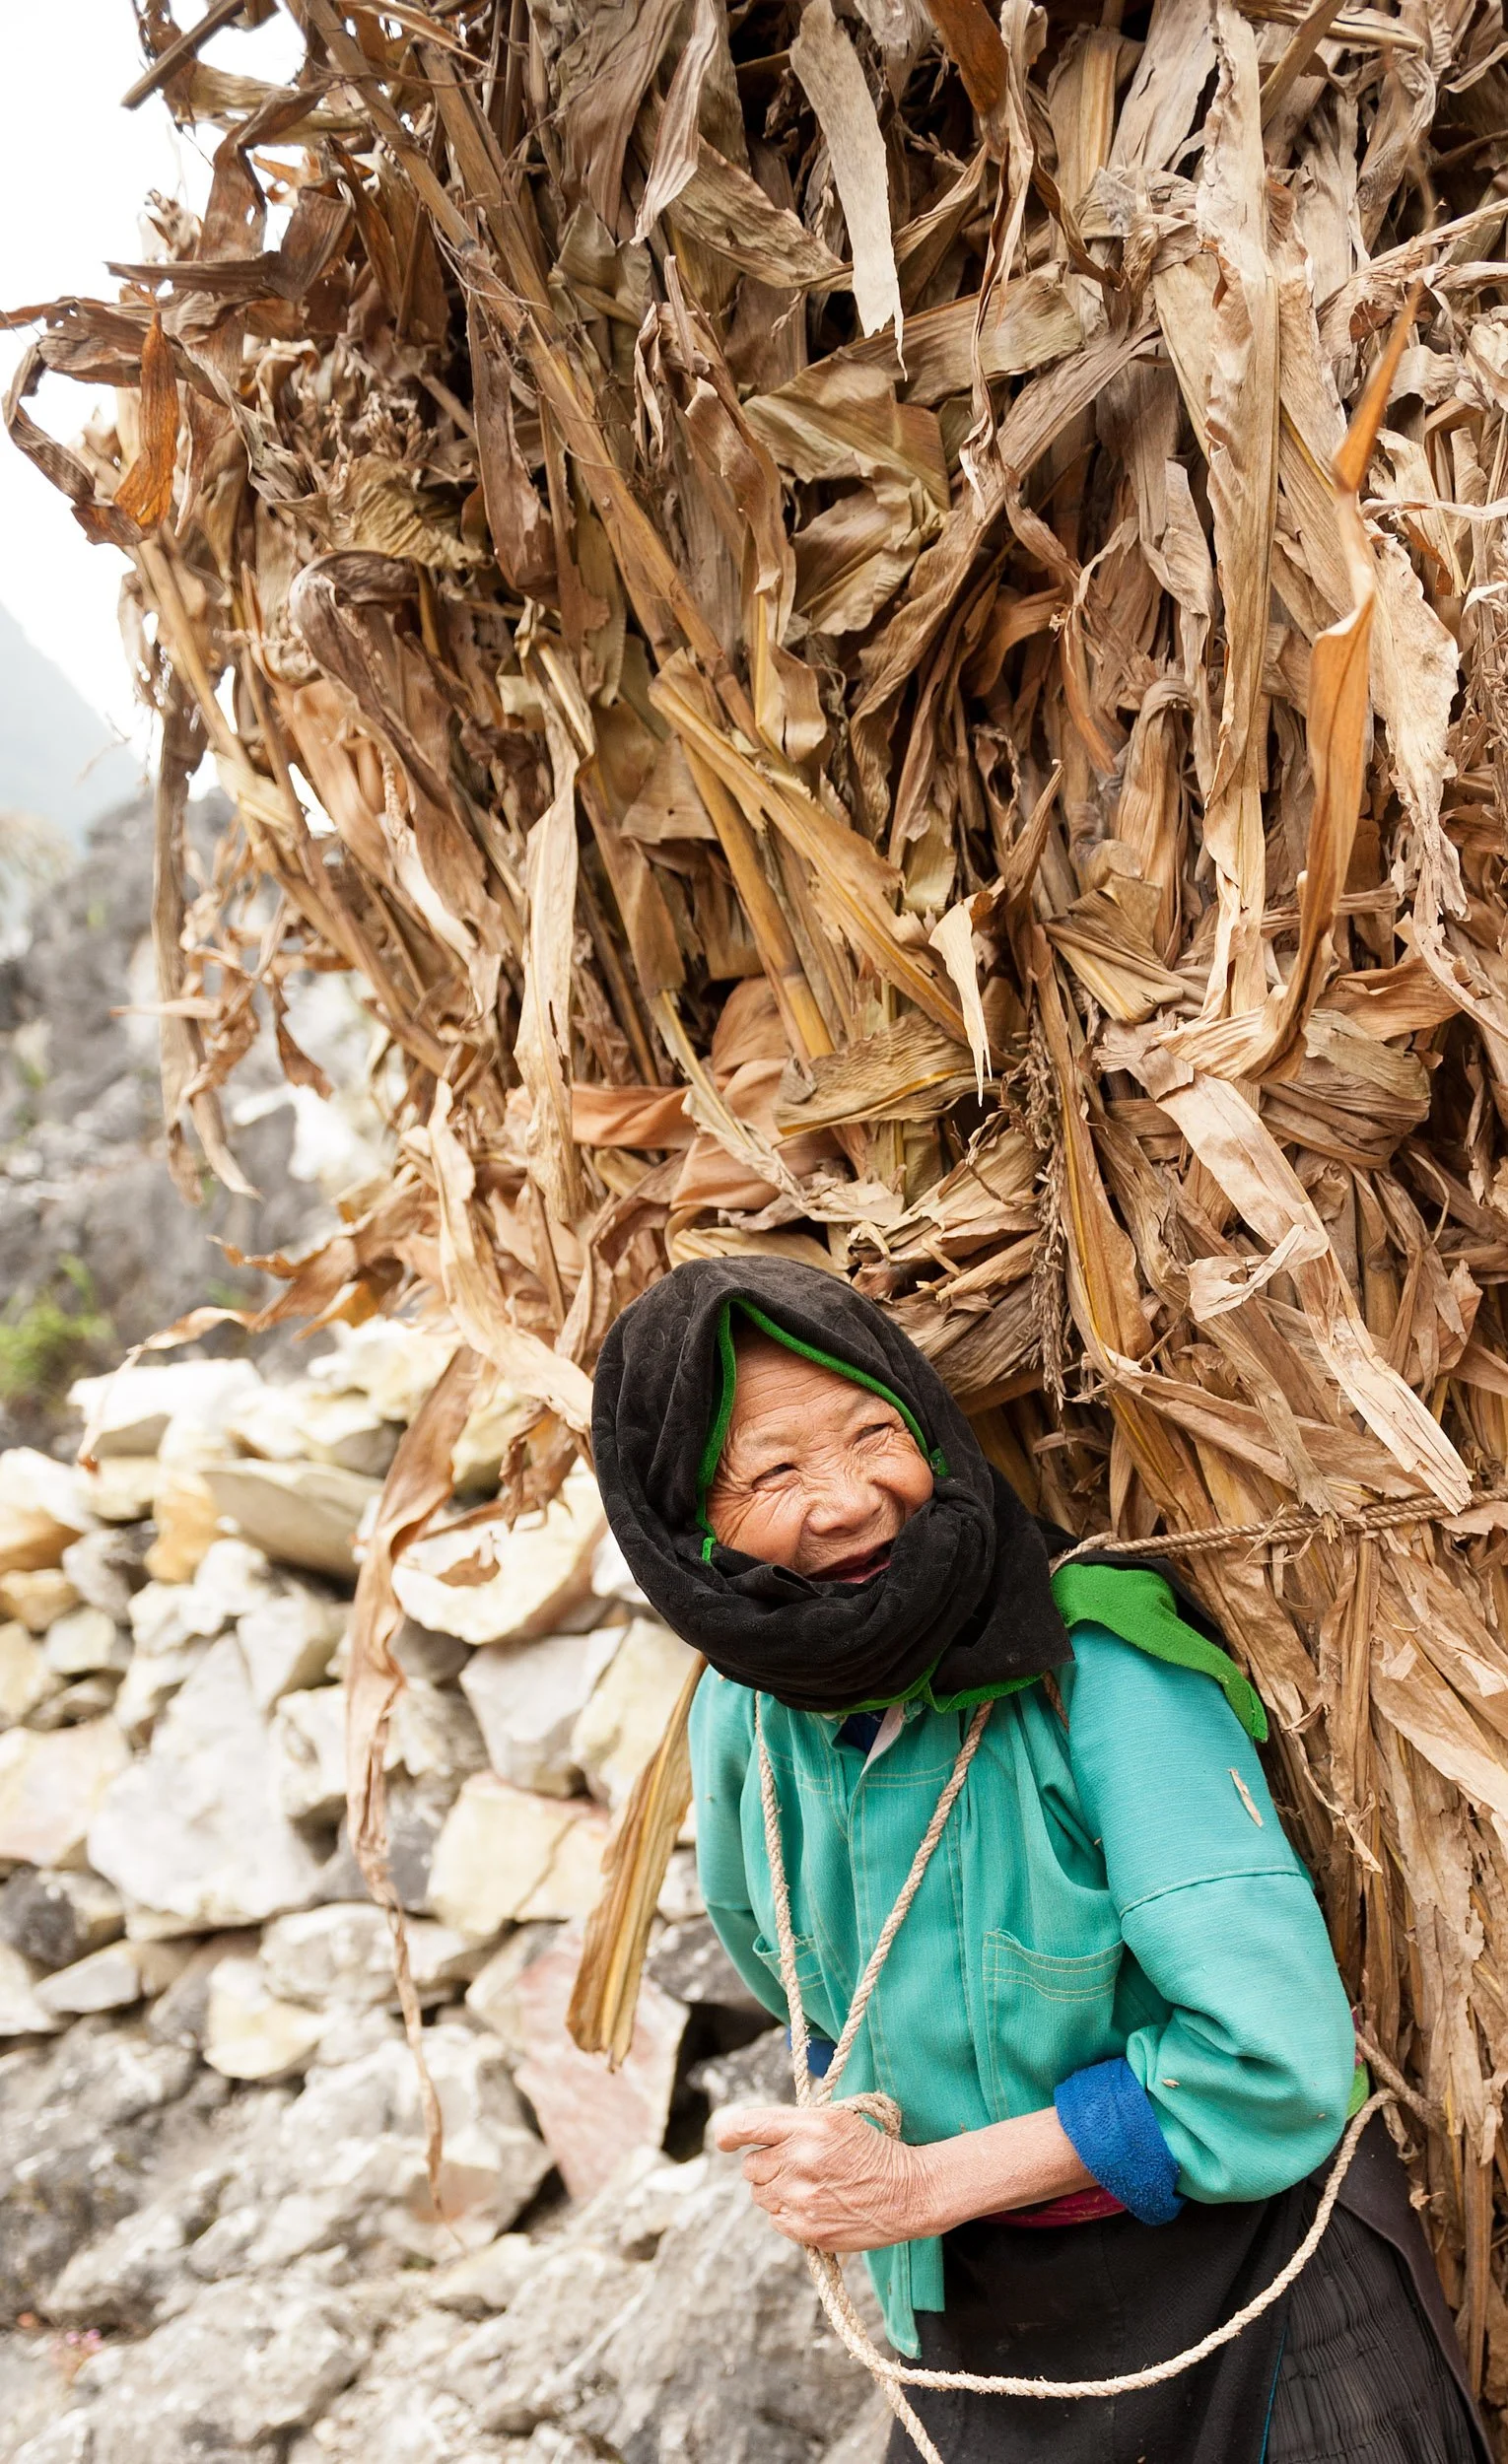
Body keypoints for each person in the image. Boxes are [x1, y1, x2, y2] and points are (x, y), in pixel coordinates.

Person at [592, 1257, 1486, 2464]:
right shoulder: (743, 1720)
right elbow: (788, 1972)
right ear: (681, 1518)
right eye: (776, 1471)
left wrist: (917, 2188)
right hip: (978, 2317)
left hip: (1262, 2296)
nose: (854, 1499)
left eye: (874, 1432)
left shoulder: (1103, 1669)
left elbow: (1275, 2064)